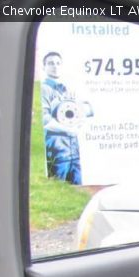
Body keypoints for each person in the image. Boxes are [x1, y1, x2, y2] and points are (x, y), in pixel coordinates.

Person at [41, 51, 87, 185]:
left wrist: (78, 125)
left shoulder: (66, 89)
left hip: (74, 150)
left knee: (76, 190)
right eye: (50, 63)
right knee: (58, 190)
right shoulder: (45, 89)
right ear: (44, 67)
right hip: (57, 150)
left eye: (57, 63)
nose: (55, 66)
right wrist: (68, 130)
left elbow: (80, 114)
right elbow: (45, 120)